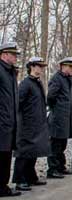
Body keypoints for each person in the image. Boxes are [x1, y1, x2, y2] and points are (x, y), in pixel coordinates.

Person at [13, 57, 49, 191]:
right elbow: (18, 103)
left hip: (37, 123)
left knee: (33, 152)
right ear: (32, 67)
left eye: (42, 67)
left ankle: (30, 176)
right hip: (26, 124)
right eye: (38, 66)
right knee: (23, 152)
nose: (41, 69)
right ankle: (19, 179)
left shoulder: (37, 83)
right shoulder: (26, 83)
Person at [47, 57, 72, 178]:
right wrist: (57, 109)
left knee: (62, 144)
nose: (71, 69)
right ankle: (53, 169)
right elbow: (50, 97)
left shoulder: (68, 79)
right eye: (69, 67)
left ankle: (61, 166)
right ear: (63, 66)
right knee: (55, 144)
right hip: (57, 117)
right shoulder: (57, 79)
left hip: (65, 117)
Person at [0, 42, 21, 197]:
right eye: (13, 54)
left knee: (6, 155)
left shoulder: (11, 72)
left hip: (9, 122)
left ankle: (3, 186)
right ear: (4, 54)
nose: (15, 57)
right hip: (2, 122)